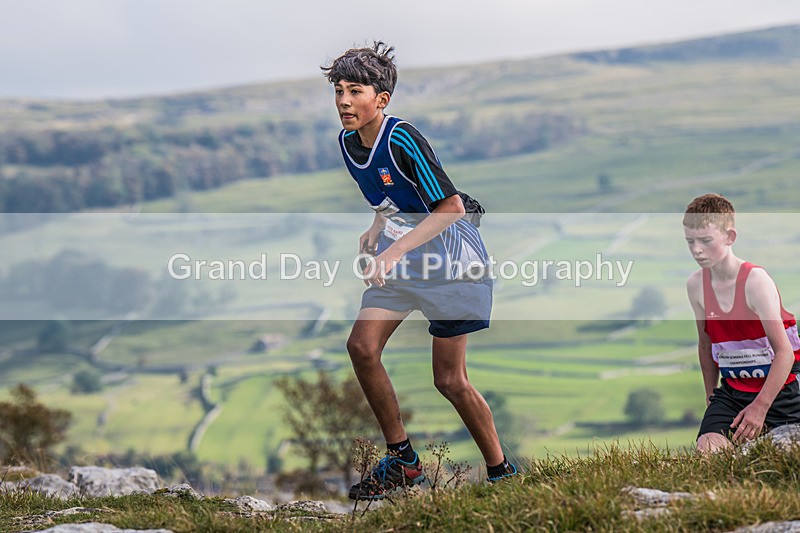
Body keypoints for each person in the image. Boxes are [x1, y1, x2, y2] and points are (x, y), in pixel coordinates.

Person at [321, 42, 516, 500]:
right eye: (338, 90)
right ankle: (404, 462)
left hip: (452, 261)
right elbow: (389, 196)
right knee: (361, 347)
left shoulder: (403, 137)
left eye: (355, 91)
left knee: (449, 380)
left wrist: (391, 252)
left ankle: (502, 472)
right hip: (404, 262)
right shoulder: (349, 144)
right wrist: (375, 227)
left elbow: (449, 207)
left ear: (381, 100)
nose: (344, 101)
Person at [684, 193, 800, 453]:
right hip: (733, 392)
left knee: (784, 452)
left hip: (780, 390)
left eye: (705, 240)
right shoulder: (695, 285)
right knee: (708, 449)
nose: (696, 250)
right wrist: (710, 395)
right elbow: (705, 346)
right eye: (690, 241)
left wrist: (760, 408)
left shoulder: (755, 281)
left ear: (729, 237)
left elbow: (785, 353)